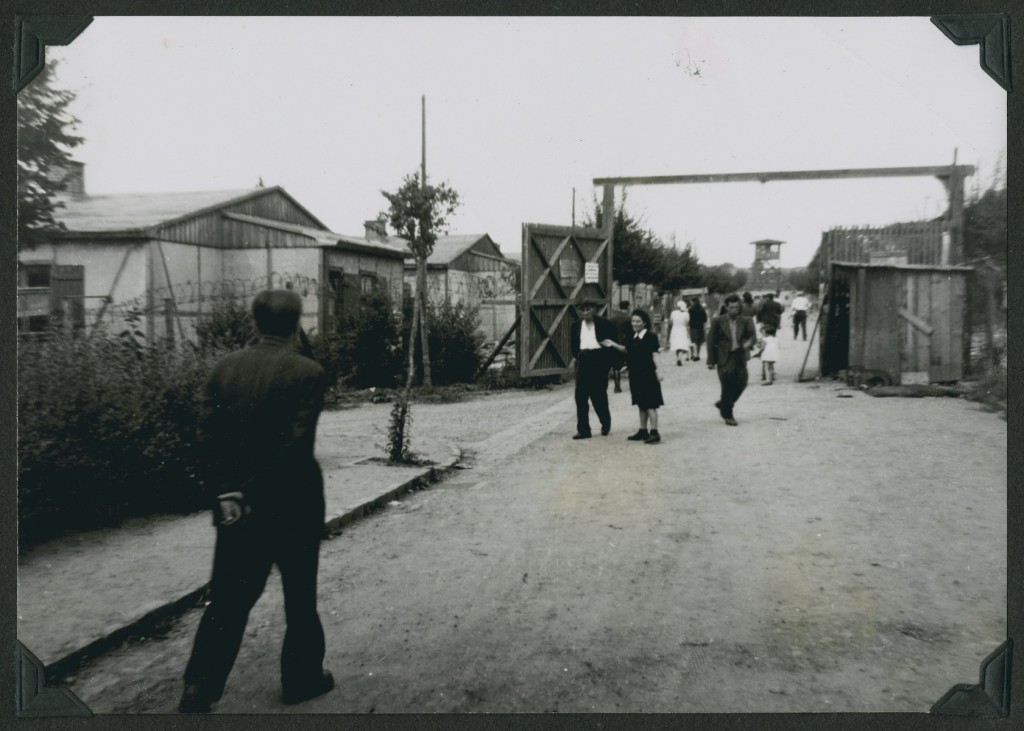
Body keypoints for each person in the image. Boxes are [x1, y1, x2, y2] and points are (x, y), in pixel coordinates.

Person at [179, 290, 334, 713]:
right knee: (300, 598)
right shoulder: (308, 372)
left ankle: (199, 688)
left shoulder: (223, 369)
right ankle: (301, 678)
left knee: (228, 600)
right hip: (293, 507)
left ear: (255, 323)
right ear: (297, 323)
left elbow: (205, 440)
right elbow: (294, 449)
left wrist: (228, 493)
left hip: (236, 510)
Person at [602, 308, 663, 444]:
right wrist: (612, 344)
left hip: (648, 374)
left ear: (645, 323)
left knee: (650, 404)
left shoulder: (650, 337)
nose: (634, 324)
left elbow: (655, 354)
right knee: (641, 403)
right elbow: (626, 349)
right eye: (633, 321)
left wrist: (660, 371)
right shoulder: (632, 337)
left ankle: (654, 432)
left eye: (638, 321)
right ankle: (643, 430)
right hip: (635, 374)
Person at [706, 293, 757, 426]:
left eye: (736, 307)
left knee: (742, 383)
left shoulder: (746, 321)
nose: (734, 310)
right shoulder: (717, 321)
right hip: (724, 358)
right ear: (727, 308)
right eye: (731, 307)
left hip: (739, 357)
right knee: (727, 387)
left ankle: (724, 404)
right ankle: (728, 415)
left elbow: (752, 337)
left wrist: (746, 345)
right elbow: (711, 341)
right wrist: (711, 360)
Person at [569, 299, 616, 439]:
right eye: (582, 310)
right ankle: (584, 430)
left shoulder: (604, 324)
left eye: (588, 309)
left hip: (599, 360)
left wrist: (607, 364)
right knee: (580, 396)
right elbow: (574, 346)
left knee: (598, 395)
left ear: (594, 309)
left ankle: (605, 422)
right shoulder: (576, 326)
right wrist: (579, 356)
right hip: (583, 359)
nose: (585, 312)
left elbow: (612, 343)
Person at [608, 300, 632, 393]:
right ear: (628, 307)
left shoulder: (612, 318)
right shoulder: (630, 318)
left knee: (616, 366)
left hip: (615, 344)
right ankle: (633, 385)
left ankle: (617, 387)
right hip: (627, 344)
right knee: (631, 364)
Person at [667, 300, 691, 366]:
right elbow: (687, 323)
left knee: (676, 345)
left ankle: (678, 358)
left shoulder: (673, 313)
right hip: (682, 329)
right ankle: (679, 358)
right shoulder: (686, 314)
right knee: (682, 345)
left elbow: (671, 322)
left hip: (675, 329)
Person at [687, 298, 707, 362]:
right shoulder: (702, 309)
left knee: (693, 341)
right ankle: (697, 355)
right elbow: (705, 319)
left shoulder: (690, 309)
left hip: (692, 327)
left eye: (691, 302)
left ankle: (692, 354)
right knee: (698, 342)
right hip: (700, 327)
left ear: (693, 302)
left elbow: (688, 318)